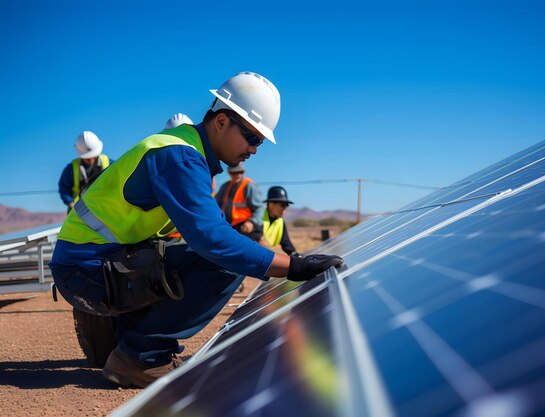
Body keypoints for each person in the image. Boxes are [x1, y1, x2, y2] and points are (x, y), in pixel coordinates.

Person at [49, 71, 343, 388]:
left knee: (201, 257)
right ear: (221, 122)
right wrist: (294, 267)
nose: (254, 149)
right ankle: (140, 356)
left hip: (96, 262)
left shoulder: (187, 153)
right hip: (84, 270)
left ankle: (118, 333)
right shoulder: (179, 157)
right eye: (253, 137)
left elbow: (209, 230)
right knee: (222, 263)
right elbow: (213, 240)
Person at [57, 131, 113, 212]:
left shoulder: (109, 164)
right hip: (80, 209)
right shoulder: (71, 169)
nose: (90, 159)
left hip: (106, 207)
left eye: (92, 156)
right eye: (87, 157)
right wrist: (70, 202)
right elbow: (63, 188)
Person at [215, 163, 264, 241]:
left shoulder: (249, 186)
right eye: (234, 172)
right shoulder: (225, 187)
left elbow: (260, 208)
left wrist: (251, 222)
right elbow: (216, 206)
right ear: (229, 173)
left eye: (240, 172)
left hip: (248, 226)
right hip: (231, 227)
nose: (237, 175)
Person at [262, 186, 299, 257]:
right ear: (271, 204)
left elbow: (286, 244)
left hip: (269, 259)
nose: (284, 210)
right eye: (282, 205)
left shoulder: (281, 222)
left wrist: (296, 255)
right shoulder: (257, 219)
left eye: (286, 206)